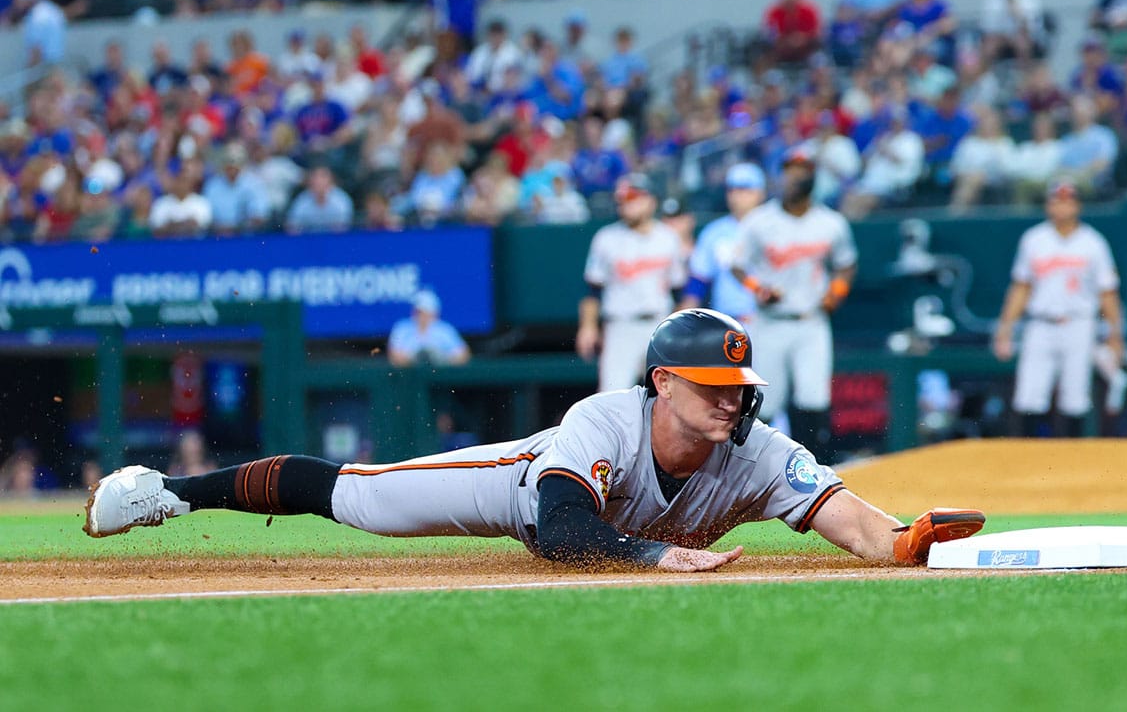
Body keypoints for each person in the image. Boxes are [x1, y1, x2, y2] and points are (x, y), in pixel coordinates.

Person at [83, 308, 986, 573]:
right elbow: (560, 533)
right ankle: (167, 490)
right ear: (665, 382)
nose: (729, 404)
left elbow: (857, 523)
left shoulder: (756, 450)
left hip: (617, 523)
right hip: (520, 488)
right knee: (357, 493)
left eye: (737, 390)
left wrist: (905, 539)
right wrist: (652, 555)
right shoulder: (604, 419)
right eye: (712, 388)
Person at [730, 146, 857, 465]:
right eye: (789, 170)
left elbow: (846, 263)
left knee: (813, 398)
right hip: (771, 321)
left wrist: (837, 291)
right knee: (766, 403)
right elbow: (737, 264)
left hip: (811, 320)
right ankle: (761, 470)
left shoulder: (830, 222)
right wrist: (757, 287)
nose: (794, 177)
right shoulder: (760, 221)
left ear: (813, 177)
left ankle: (813, 469)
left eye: (801, 170)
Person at [992, 180, 1123, 438]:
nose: (1062, 207)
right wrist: (1005, 328)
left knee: (1075, 396)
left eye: (1067, 201)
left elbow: (1107, 293)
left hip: (1079, 322)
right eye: (1056, 200)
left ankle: (1069, 462)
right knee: (1029, 393)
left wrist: (1115, 334)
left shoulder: (1093, 243)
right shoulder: (1034, 240)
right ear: (1048, 205)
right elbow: (1021, 288)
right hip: (1040, 322)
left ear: (1077, 205)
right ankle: (1027, 457)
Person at [577, 173, 687, 392]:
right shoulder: (606, 238)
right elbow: (592, 291)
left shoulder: (668, 238)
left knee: (669, 395)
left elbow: (679, 292)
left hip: (659, 325)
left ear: (651, 201)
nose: (627, 204)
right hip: (621, 325)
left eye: (633, 197)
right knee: (612, 396)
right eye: (623, 200)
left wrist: (679, 332)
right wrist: (588, 326)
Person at [679, 162, 766, 322]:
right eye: (732, 189)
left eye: (744, 189)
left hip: (769, 319)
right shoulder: (715, 232)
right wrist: (683, 320)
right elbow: (698, 281)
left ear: (760, 193)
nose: (737, 196)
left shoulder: (774, 227)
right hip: (728, 322)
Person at [387, 290, 471, 367]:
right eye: (417, 311)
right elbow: (394, 356)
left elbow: (463, 355)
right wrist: (414, 359)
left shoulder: (445, 330)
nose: (420, 315)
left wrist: (441, 360)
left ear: (433, 312)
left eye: (423, 311)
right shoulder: (402, 328)